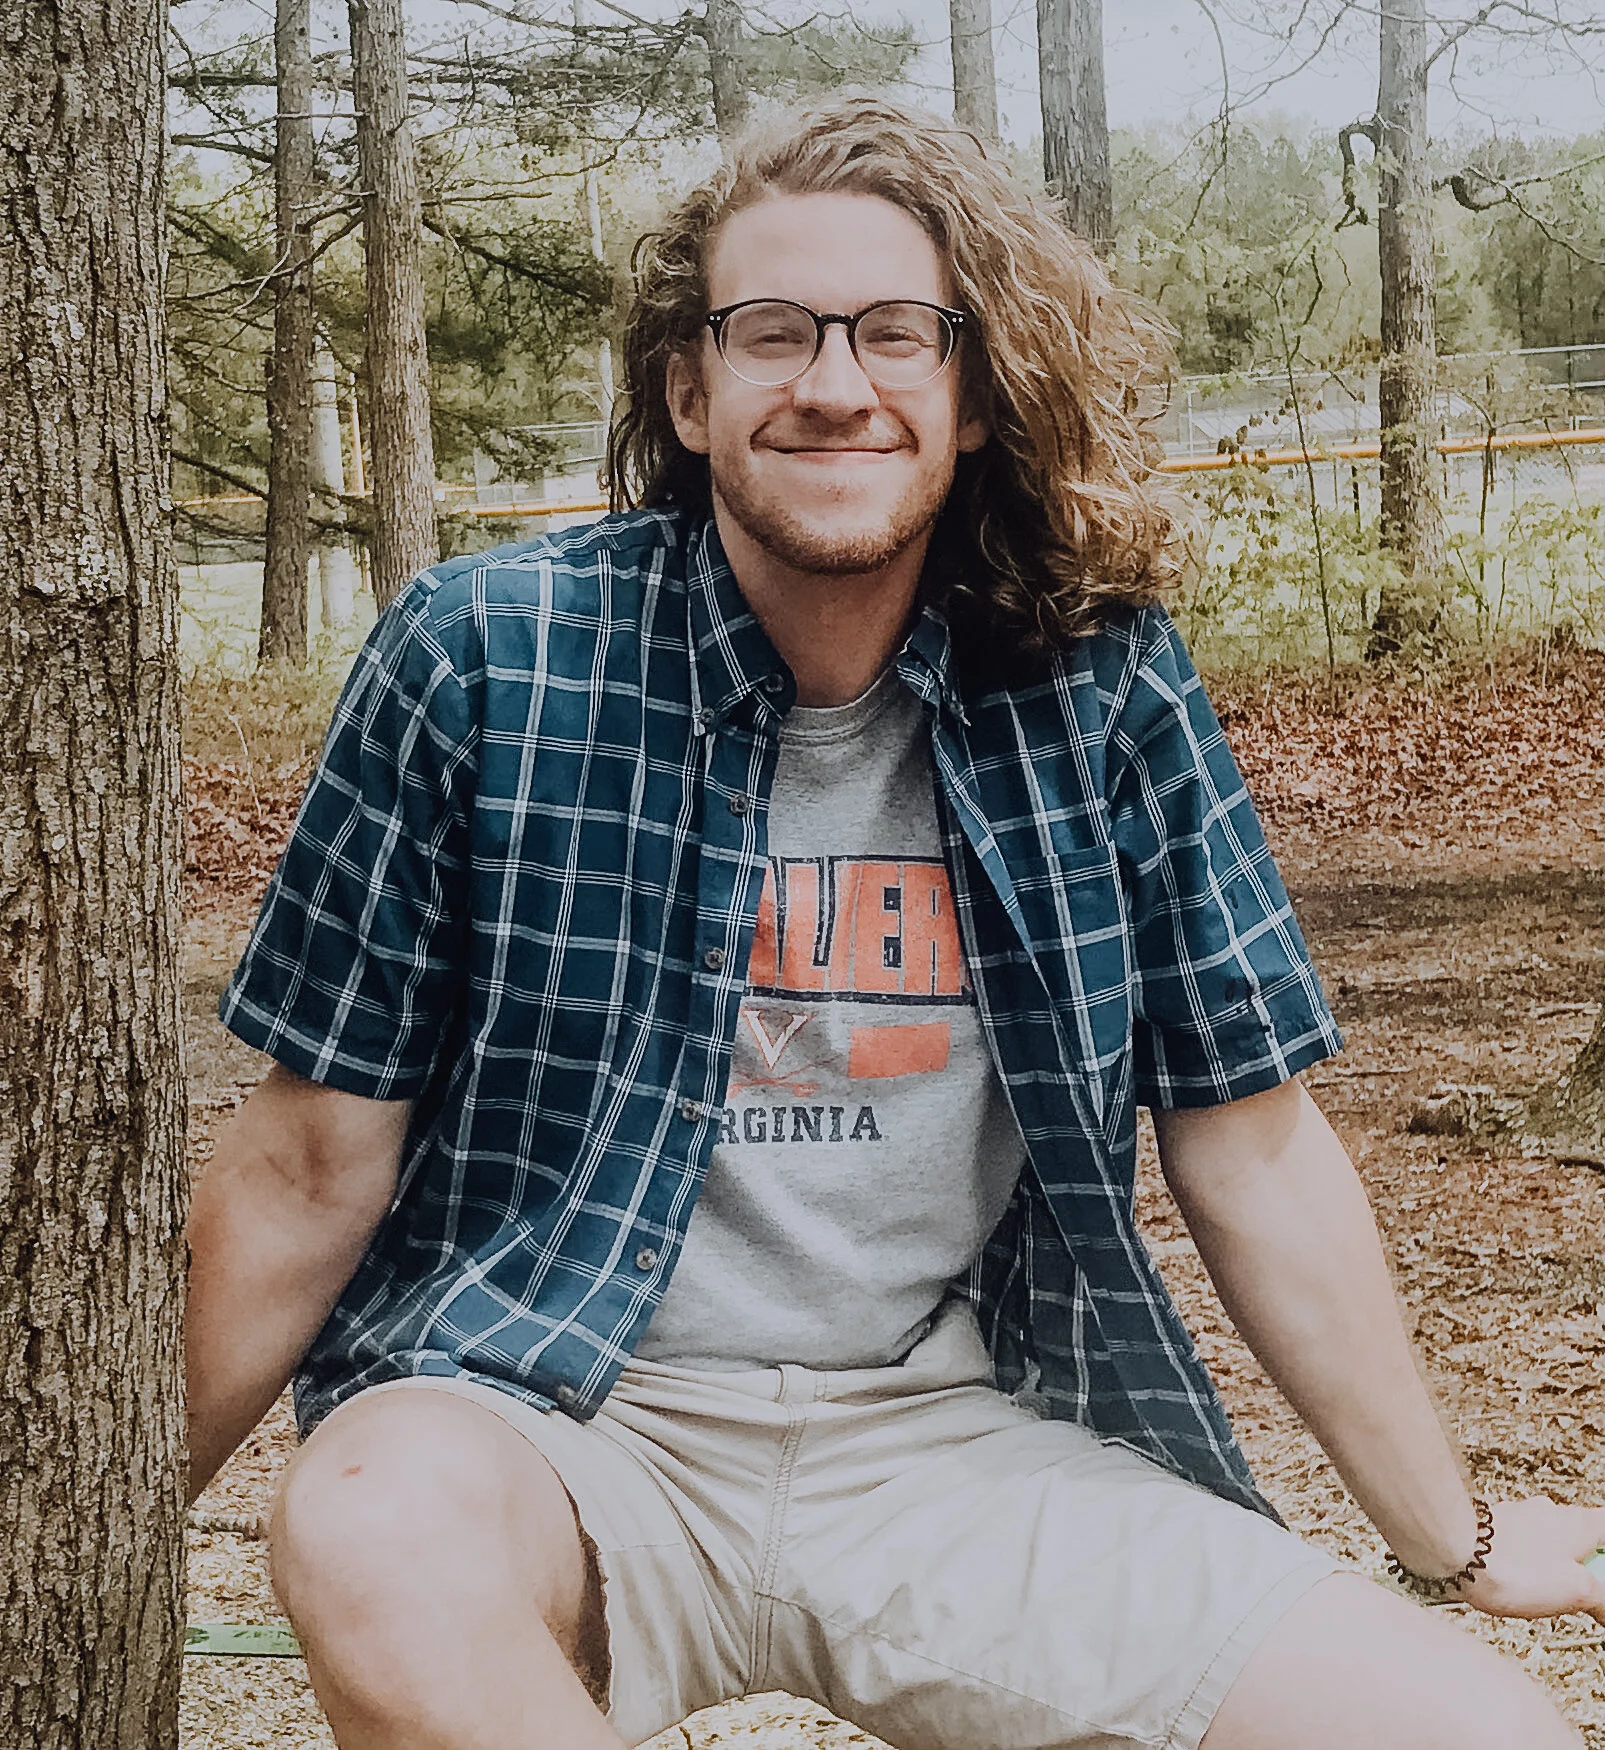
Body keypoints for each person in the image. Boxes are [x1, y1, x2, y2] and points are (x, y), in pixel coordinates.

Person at [185, 97, 1603, 1750]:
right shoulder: (485, 661)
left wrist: (1459, 1534)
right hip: (554, 1424)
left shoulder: (1102, 687)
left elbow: (1254, 1145)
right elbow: (305, 1158)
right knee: (368, 1522)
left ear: (972, 392)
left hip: (946, 1434)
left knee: (1472, 1733)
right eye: (773, 331)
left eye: (894, 334)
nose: (837, 382)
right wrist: (60, 1534)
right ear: (691, 390)